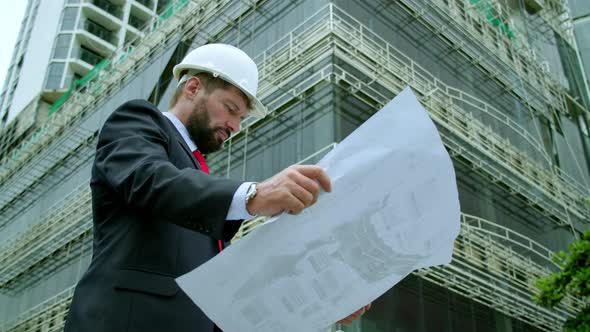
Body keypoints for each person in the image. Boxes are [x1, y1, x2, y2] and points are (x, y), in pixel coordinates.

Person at [64, 43, 368, 332]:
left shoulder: (203, 184)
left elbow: (229, 283)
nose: (235, 125)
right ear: (193, 88)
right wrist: (254, 195)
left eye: (241, 117)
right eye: (230, 108)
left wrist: (326, 300)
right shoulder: (138, 122)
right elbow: (149, 179)